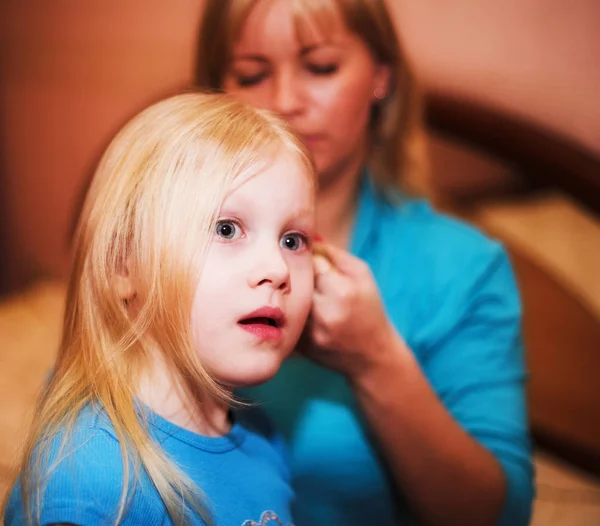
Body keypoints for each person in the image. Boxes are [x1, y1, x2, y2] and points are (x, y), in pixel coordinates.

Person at [196, 1, 535, 525]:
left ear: (380, 77)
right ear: (217, 93)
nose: (284, 101)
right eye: (252, 75)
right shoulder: (161, 244)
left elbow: (499, 515)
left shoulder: (465, 269)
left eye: (321, 66)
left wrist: (376, 359)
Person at [3, 92, 317, 525]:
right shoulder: (89, 484)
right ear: (122, 266)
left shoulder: (261, 435)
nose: (277, 268)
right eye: (227, 229)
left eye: (292, 240)